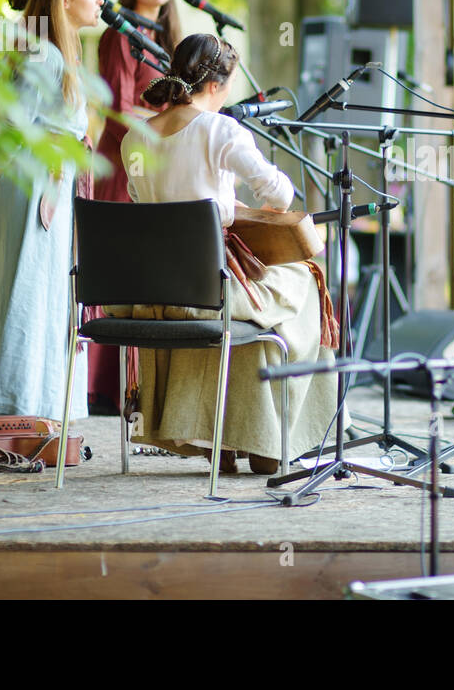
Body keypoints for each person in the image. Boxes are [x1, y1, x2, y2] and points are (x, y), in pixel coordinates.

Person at [117, 33, 339, 475]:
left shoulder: (134, 138)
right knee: (303, 281)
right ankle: (270, 440)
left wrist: (217, 203)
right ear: (217, 85)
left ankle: (227, 443)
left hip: (154, 291)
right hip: (209, 287)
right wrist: (240, 210)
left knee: (253, 306)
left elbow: (147, 205)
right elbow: (278, 191)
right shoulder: (219, 129)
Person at [0, 0, 103, 422]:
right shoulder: (43, 55)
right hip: (31, 182)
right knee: (27, 292)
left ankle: (40, 409)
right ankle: (15, 410)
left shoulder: (57, 55)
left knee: (44, 294)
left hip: (50, 183)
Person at [88, 0, 182, 413]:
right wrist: (169, 125)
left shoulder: (171, 39)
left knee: (147, 274)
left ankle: (142, 386)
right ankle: (105, 387)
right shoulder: (118, 37)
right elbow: (116, 107)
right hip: (124, 161)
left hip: (160, 160)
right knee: (118, 274)